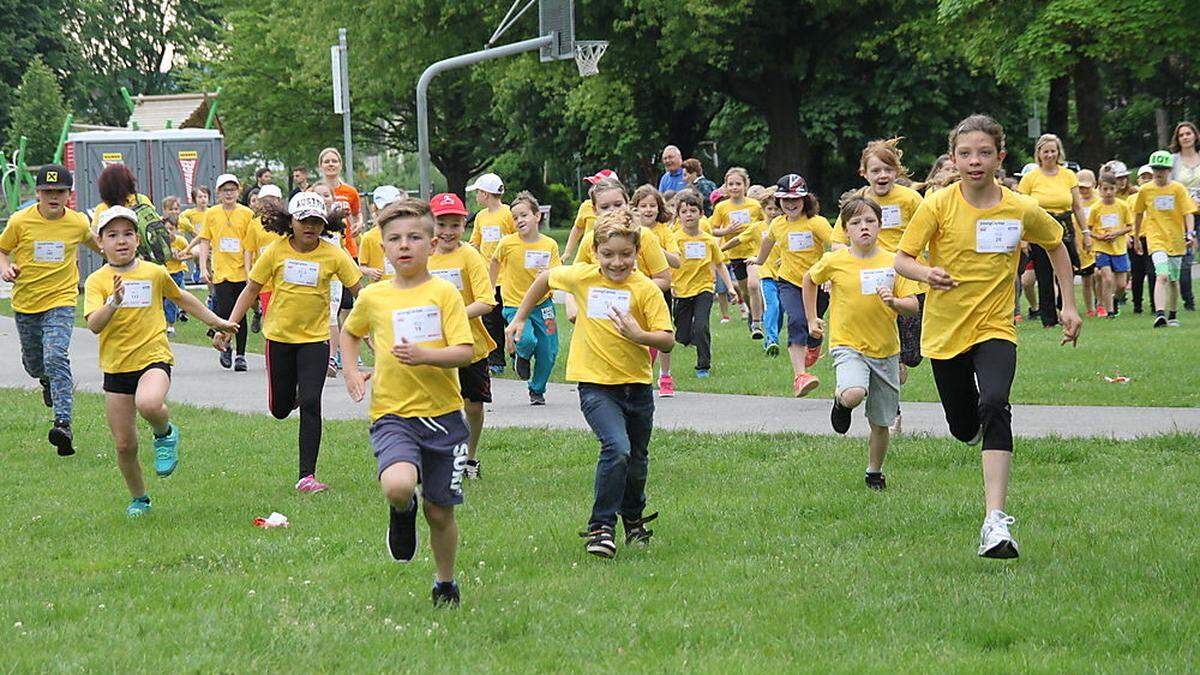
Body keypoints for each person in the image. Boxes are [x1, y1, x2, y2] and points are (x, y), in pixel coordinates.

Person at [894, 114, 1082, 559]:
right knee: (963, 427)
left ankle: (995, 523)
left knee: (996, 403)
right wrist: (927, 273)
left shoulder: (1018, 207)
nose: (974, 161)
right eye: (965, 153)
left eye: (983, 153)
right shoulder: (937, 205)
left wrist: (1069, 306)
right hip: (944, 333)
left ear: (1000, 157)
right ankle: (973, 427)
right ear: (954, 159)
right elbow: (902, 259)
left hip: (997, 326)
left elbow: (1055, 244)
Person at [506, 210, 674, 558]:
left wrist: (639, 334)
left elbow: (667, 339)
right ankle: (601, 529)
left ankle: (633, 517)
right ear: (595, 251)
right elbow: (544, 279)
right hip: (595, 386)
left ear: (636, 252)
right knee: (617, 448)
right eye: (608, 254)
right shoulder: (582, 278)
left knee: (638, 460)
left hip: (637, 386)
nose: (617, 262)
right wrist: (520, 317)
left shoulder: (644, 290)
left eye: (625, 254)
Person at [340, 198, 475, 608]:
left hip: (445, 418)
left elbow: (464, 350)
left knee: (439, 513)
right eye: (395, 239)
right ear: (383, 248)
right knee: (397, 485)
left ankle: (445, 582)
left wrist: (426, 356)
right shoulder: (374, 296)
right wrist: (350, 370)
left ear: (431, 244)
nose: (405, 246)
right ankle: (401, 511)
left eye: (415, 237)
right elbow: (350, 332)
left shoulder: (444, 293)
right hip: (393, 414)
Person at [84, 206, 236, 516]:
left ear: (138, 240)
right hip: (116, 367)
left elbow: (183, 298)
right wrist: (114, 302)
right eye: (112, 235)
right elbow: (94, 324)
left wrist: (217, 322)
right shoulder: (97, 281)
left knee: (149, 403)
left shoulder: (154, 273)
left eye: (128, 234)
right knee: (125, 445)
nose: (121, 241)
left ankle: (165, 433)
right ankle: (140, 498)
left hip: (153, 357)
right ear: (100, 242)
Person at [218, 192, 362, 492]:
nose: (310, 227)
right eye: (303, 221)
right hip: (280, 339)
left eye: (316, 222)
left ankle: (306, 476)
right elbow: (251, 290)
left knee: (311, 403)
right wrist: (229, 326)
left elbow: (360, 290)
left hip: (316, 340)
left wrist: (374, 325)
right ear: (290, 221)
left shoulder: (334, 254)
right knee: (280, 409)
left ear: (325, 224)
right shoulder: (275, 251)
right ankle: (292, 396)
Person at [803, 197, 920, 489]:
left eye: (870, 221)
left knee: (881, 423)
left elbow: (914, 305)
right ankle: (842, 402)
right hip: (848, 344)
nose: (863, 227)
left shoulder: (894, 262)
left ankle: (874, 471)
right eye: (855, 223)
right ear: (845, 230)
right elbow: (809, 279)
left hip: (886, 350)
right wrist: (812, 318)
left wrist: (895, 302)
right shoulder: (835, 260)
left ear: (880, 225)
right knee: (855, 392)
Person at [0, 165, 99, 456]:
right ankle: (45, 379)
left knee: (56, 355)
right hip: (27, 302)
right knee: (35, 364)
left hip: (61, 300)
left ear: (69, 194)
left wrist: (124, 248)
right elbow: (2, 250)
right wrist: (6, 269)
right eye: (47, 192)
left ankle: (63, 423)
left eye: (60, 192)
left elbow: (100, 245)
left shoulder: (78, 223)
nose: (53, 197)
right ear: (38, 194)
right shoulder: (21, 220)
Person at [428, 192, 496, 479]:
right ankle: (442, 457)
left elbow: (486, 300)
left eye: (454, 224)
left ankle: (470, 457)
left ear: (464, 226)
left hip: (471, 345)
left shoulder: (470, 255)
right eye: (441, 224)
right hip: (433, 344)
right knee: (438, 404)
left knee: (473, 405)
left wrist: (454, 316)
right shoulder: (423, 255)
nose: (447, 232)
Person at [754, 174, 833, 397]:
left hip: (817, 284)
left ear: (805, 199)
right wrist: (759, 261)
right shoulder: (778, 224)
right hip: (788, 282)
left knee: (814, 325)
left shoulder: (816, 223)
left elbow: (835, 245)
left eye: (795, 199)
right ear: (778, 201)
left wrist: (832, 273)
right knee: (797, 320)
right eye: (785, 200)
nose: (790, 204)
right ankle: (800, 376)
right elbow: (767, 241)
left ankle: (814, 343)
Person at [490, 191, 561, 405]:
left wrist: (549, 274)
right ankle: (521, 356)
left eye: (524, 215)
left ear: (537, 216)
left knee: (548, 351)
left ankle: (537, 390)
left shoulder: (549, 244)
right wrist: (490, 287)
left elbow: (557, 271)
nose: (519, 220)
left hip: (543, 305)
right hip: (514, 304)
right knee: (527, 340)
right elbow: (494, 262)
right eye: (515, 217)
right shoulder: (507, 243)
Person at [1017, 133, 1091, 328]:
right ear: (1039, 154)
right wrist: (1023, 240)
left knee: (1068, 269)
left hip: (1065, 225)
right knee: (1044, 273)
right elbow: (1020, 209)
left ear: (1058, 153)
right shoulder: (1030, 178)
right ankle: (1048, 318)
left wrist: (1086, 233)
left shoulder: (1068, 175)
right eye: (1045, 151)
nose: (1049, 155)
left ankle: (1066, 307)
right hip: (1040, 225)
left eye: (1053, 151)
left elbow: (1077, 207)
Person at [670, 189, 738, 378]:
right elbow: (666, 263)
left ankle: (703, 365)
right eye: (684, 212)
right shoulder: (674, 239)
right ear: (678, 215)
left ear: (701, 214)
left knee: (702, 326)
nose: (689, 215)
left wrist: (731, 287)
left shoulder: (708, 240)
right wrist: (670, 284)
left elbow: (720, 264)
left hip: (704, 288)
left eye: (693, 211)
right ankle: (689, 337)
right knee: (681, 335)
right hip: (681, 290)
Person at [196, 173, 255, 371]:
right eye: (224, 190)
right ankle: (225, 346)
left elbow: (250, 244)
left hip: (241, 270)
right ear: (218, 193)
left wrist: (249, 270)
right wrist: (203, 267)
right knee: (223, 312)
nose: (229, 194)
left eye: (232, 190)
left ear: (238, 192)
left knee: (241, 315)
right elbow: (205, 240)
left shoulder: (247, 213)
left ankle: (241, 355)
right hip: (221, 271)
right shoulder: (211, 214)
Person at [1132, 151, 1198, 328]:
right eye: (1156, 169)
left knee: (1173, 280)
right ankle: (1160, 314)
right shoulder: (1146, 190)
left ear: (1169, 170)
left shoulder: (1178, 189)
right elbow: (1138, 214)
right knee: (1161, 275)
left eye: (1162, 169)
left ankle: (1173, 314)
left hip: (1176, 240)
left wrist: (1190, 233)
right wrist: (1137, 236)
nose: (1158, 173)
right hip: (1156, 239)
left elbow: (1188, 213)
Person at [465, 172, 516, 375]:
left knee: (510, 318)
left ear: (486, 194)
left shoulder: (508, 213)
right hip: (489, 278)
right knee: (491, 320)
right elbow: (475, 242)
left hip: (510, 278)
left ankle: (516, 354)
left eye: (478, 192)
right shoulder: (480, 217)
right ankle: (496, 361)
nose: (476, 196)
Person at [710, 167, 765, 336]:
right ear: (726, 186)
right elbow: (713, 230)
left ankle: (759, 320)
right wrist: (726, 231)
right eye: (731, 184)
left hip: (753, 252)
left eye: (738, 184)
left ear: (745, 185)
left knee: (753, 284)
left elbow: (766, 225)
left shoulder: (755, 206)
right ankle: (752, 312)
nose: (734, 187)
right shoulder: (721, 207)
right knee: (745, 290)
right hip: (734, 253)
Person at [1089, 172, 1134, 317]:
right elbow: (1088, 230)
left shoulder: (1122, 206)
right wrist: (1100, 237)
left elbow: (1129, 226)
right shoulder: (1096, 208)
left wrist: (1117, 233)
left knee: (1121, 284)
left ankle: (1115, 299)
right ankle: (1109, 311)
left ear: (1116, 189)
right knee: (1107, 279)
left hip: (1119, 248)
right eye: (1105, 189)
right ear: (1100, 189)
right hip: (1102, 248)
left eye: (1111, 189)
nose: (1108, 192)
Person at [1169, 121, 1200, 310]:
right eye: (1181, 135)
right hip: (1182, 216)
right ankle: (1188, 300)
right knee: (1186, 257)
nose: (1186, 137)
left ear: (1195, 136)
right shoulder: (1173, 161)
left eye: (1188, 133)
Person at [161, 205, 190, 336]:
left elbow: (190, 253)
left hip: (176, 273)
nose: (168, 233)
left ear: (176, 229)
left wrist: (181, 256)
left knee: (171, 300)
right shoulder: (160, 242)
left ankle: (171, 325)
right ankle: (161, 323)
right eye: (166, 229)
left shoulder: (181, 241)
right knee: (161, 300)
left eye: (171, 229)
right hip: (163, 272)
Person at [1074, 170, 1099, 315]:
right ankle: (1090, 308)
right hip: (1081, 245)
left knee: (1100, 275)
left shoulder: (1099, 200)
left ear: (1094, 185)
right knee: (1087, 279)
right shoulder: (1075, 203)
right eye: (1080, 187)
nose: (1083, 190)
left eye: (1086, 187)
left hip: (1100, 243)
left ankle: (1102, 302)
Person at [181, 186, 210, 284]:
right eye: (200, 197)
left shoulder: (211, 212)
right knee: (197, 251)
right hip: (197, 242)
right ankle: (198, 267)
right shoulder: (191, 213)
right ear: (194, 199)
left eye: (205, 196)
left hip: (211, 242)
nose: (203, 199)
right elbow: (181, 218)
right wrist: (190, 229)